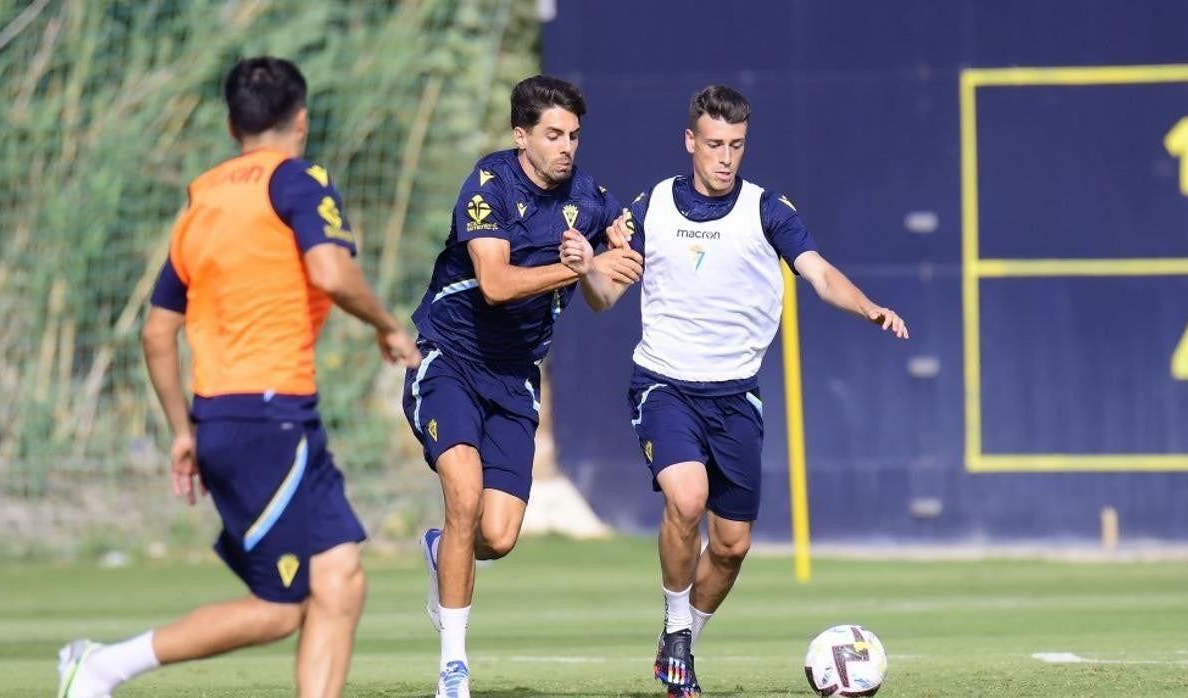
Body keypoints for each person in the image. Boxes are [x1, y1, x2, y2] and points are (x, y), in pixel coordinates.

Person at [56, 56, 419, 698]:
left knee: (340, 576)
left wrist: (181, 431)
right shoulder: (298, 180)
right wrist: (386, 326)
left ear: (232, 125)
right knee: (280, 608)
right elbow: (332, 274)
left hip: (236, 416)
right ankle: (102, 667)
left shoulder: (203, 201)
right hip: (268, 417)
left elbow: (155, 332)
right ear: (300, 120)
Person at [599, 85, 909, 698]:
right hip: (663, 383)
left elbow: (818, 274)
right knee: (685, 499)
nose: (725, 157)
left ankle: (682, 641)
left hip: (735, 397)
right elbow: (605, 293)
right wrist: (590, 270)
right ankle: (676, 629)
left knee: (732, 546)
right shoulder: (651, 206)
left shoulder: (768, 210)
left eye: (736, 146)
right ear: (690, 141)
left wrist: (867, 306)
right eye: (714, 144)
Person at [403, 74, 643, 698]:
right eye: (554, 135)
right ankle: (453, 668)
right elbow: (495, 284)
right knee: (463, 492)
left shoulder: (590, 197)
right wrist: (571, 266)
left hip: (513, 379)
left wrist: (602, 266)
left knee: (497, 536)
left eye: (574, 136)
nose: (566, 147)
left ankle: (443, 552)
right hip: (449, 359)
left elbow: (603, 296)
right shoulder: (489, 184)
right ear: (521, 136)